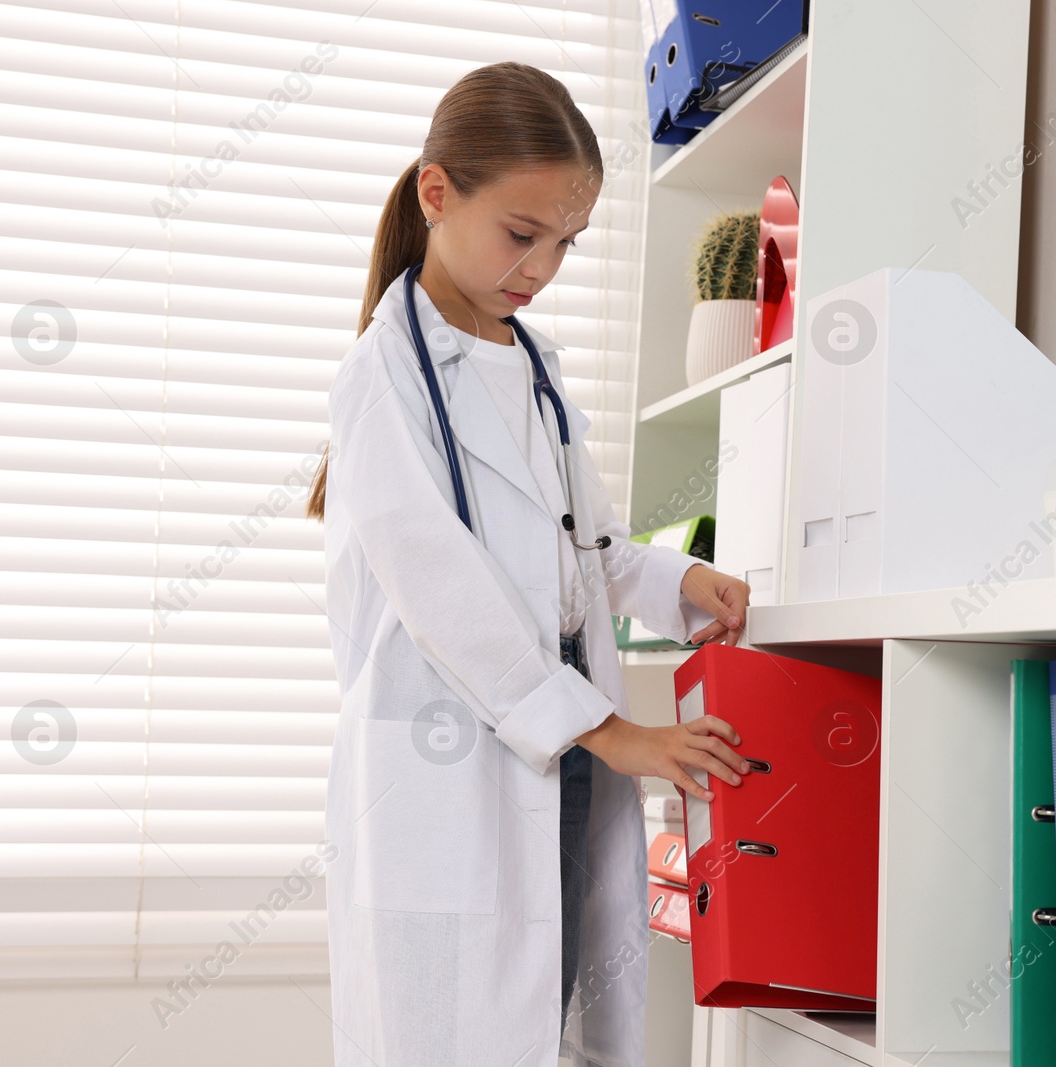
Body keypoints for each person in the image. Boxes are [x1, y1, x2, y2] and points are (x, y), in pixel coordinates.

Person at [303, 61, 753, 1067]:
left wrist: (677, 583)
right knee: (453, 1033)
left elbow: (582, 544)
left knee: (549, 1016)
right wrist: (612, 731)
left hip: (559, 760)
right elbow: (440, 587)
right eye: (521, 233)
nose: (542, 266)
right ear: (436, 192)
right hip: (451, 758)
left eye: (565, 242)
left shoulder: (535, 368)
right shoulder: (379, 375)